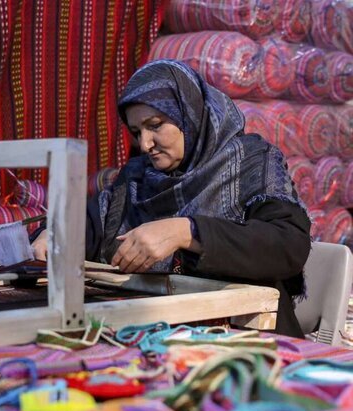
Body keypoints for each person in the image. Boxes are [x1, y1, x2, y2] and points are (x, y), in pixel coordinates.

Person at [32, 59, 311, 338]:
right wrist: (54, 233)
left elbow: (288, 244)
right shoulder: (138, 178)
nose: (145, 144)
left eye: (155, 125)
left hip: (246, 337)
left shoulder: (250, 162)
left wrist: (187, 231)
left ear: (188, 114)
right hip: (156, 336)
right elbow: (91, 223)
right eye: (137, 132)